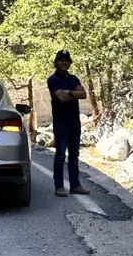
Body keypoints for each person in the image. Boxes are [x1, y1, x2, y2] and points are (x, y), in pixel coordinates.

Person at [47, 49, 90, 197]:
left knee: (74, 155)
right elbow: (61, 98)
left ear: (69, 62)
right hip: (61, 122)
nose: (64, 62)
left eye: (67, 60)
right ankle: (59, 186)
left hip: (74, 122)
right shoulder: (53, 79)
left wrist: (69, 92)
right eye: (61, 60)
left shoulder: (74, 78)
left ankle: (75, 185)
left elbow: (83, 94)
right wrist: (73, 94)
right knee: (60, 155)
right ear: (56, 62)